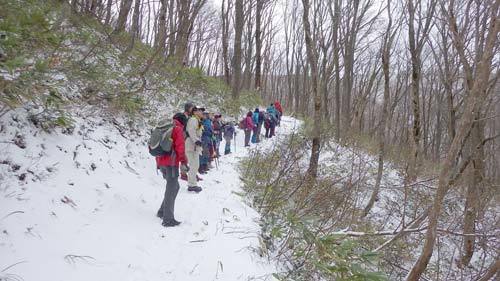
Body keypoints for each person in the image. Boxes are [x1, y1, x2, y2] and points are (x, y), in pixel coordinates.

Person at [155, 113, 189, 227]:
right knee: (171, 187)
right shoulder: (177, 129)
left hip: (161, 162)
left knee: (175, 186)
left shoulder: (163, 126)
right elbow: (180, 147)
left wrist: (158, 164)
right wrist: (184, 161)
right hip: (171, 163)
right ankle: (168, 219)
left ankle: (162, 211)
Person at [185, 106, 204, 193]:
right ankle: (192, 185)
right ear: (195, 112)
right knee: (194, 165)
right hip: (191, 145)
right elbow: (191, 130)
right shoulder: (193, 120)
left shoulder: (197, 120)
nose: (202, 112)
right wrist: (196, 141)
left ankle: (192, 183)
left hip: (194, 145)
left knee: (195, 165)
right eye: (200, 111)